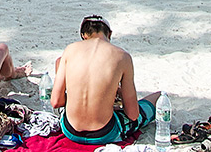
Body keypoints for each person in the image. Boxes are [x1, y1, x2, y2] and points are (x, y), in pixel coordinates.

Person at [52, 14, 156, 146]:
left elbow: (56, 102)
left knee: (59, 62)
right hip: (104, 134)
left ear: (84, 35)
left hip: (70, 131)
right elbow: (133, 114)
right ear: (109, 34)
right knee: (157, 98)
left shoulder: (70, 49)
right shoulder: (122, 56)